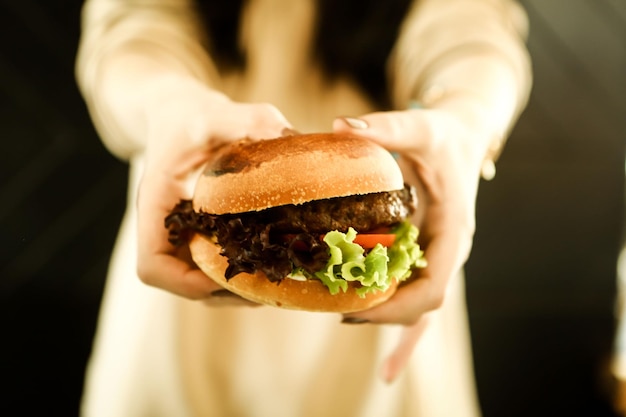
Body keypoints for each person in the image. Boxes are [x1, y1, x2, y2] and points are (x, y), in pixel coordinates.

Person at [75, 0, 532, 416]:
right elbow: (132, 25)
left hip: (379, 176)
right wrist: (166, 102)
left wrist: (465, 117)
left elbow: (469, 30)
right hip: (198, 174)